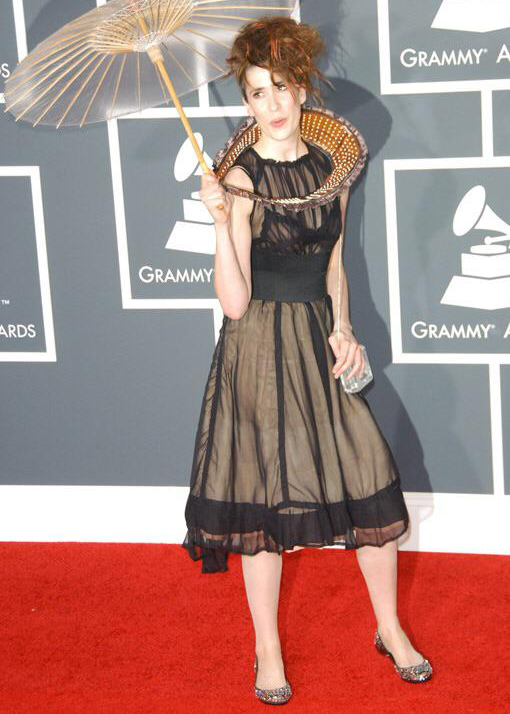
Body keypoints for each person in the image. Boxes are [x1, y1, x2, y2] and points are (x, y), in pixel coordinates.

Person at [181, 15, 433, 704]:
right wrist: (220, 225)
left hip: (319, 338)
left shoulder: (332, 168)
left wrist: (344, 328)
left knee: (369, 477)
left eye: (282, 87)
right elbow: (234, 303)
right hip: (259, 345)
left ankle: (390, 629)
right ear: (246, 102)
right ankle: (267, 650)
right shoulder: (239, 177)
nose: (274, 104)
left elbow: (335, 264)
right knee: (263, 500)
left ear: (301, 87)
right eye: (258, 93)